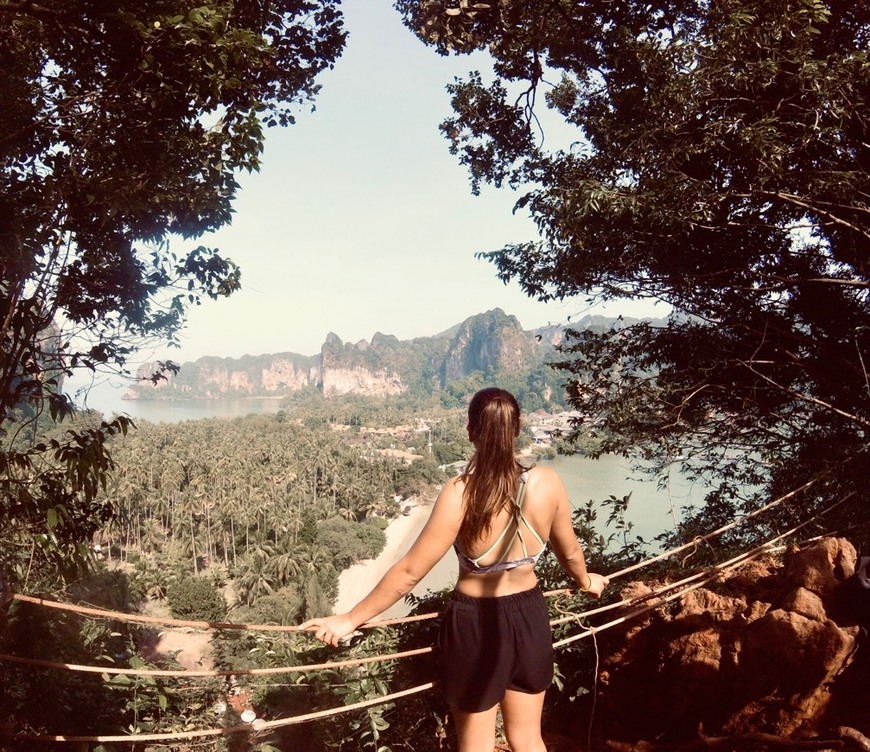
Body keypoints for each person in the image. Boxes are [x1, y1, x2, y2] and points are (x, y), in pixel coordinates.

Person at [301, 387, 608, 752]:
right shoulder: (547, 482)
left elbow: (409, 573)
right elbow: (570, 552)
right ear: (518, 428)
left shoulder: (461, 493)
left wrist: (350, 618)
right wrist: (586, 581)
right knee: (527, 739)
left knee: (475, 747)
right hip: (530, 616)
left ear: (470, 430)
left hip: (476, 625)